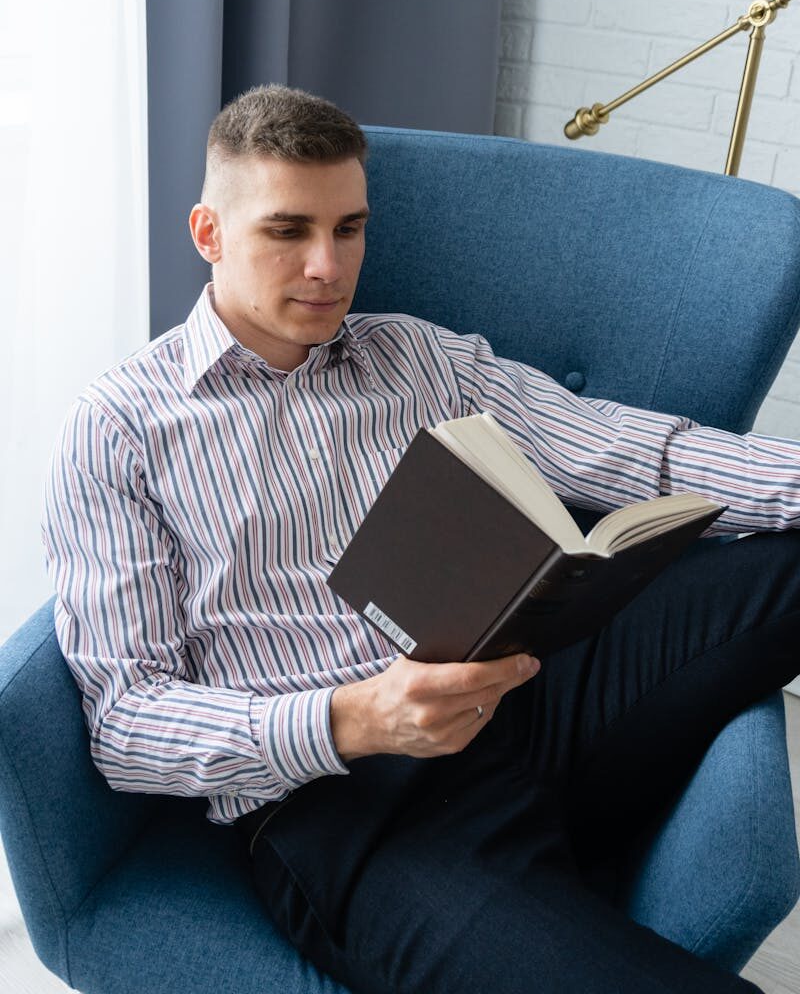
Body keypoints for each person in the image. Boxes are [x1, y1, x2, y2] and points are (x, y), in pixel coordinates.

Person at [43, 84, 800, 994]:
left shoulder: (416, 356)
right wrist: (354, 718)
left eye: (349, 228)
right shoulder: (120, 426)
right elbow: (127, 723)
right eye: (288, 231)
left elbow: (621, 445)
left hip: (529, 690)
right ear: (209, 233)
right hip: (351, 809)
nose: (328, 266)